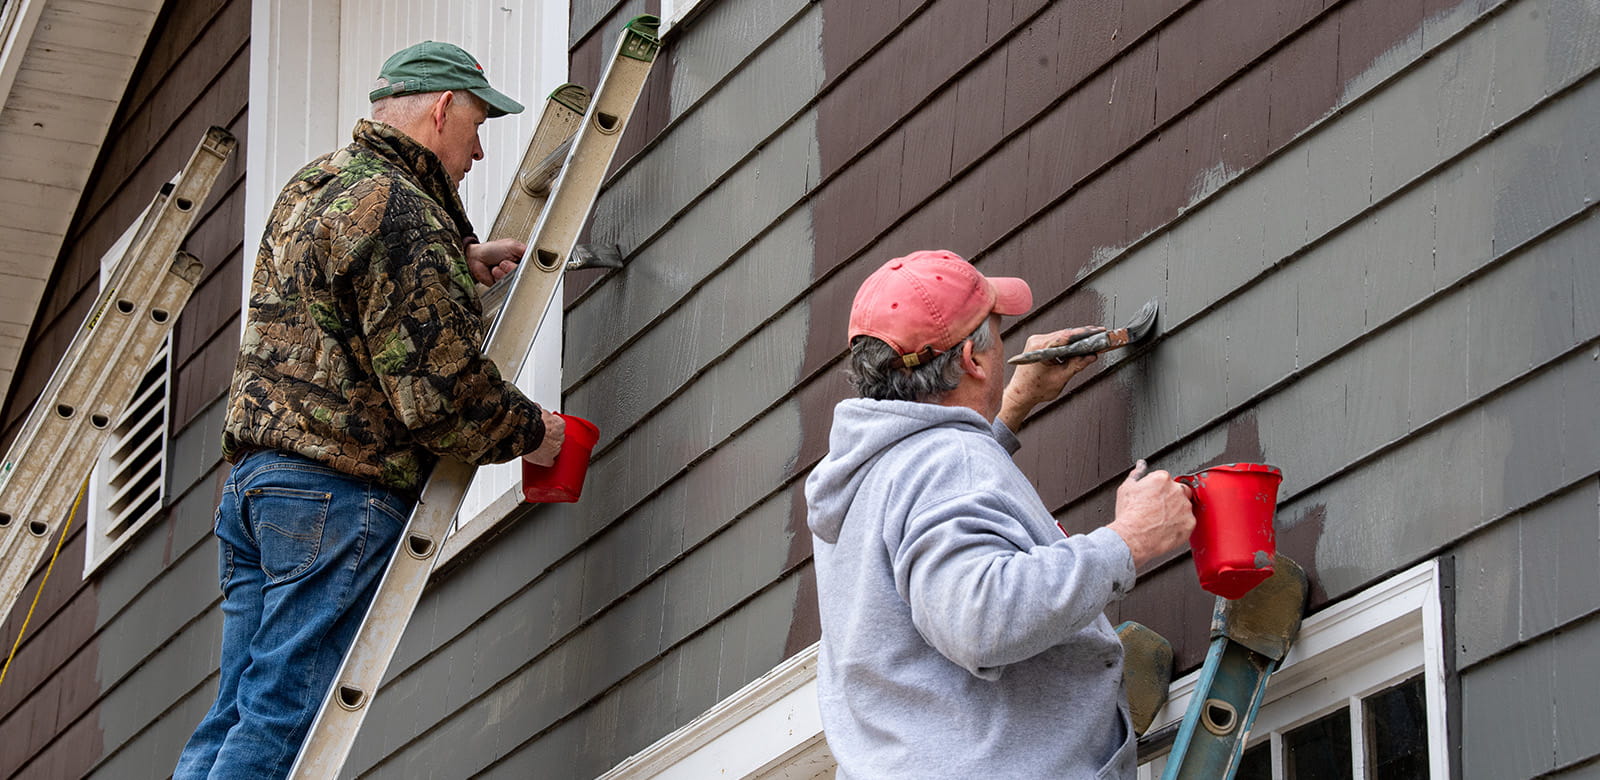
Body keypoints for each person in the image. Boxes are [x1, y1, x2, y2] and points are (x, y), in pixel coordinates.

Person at [176, 42, 563, 779]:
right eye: (477, 125)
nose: (480, 151)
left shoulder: (317, 185)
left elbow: (338, 307)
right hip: (336, 491)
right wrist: (531, 434)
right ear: (442, 108)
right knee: (284, 717)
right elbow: (439, 398)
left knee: (236, 714)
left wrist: (455, 259)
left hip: (257, 489)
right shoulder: (401, 210)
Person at [805, 250, 1197, 779]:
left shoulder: (866, 478)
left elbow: (934, 513)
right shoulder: (947, 463)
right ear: (972, 359)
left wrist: (1008, 405)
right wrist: (1128, 540)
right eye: (995, 329)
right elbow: (980, 620)